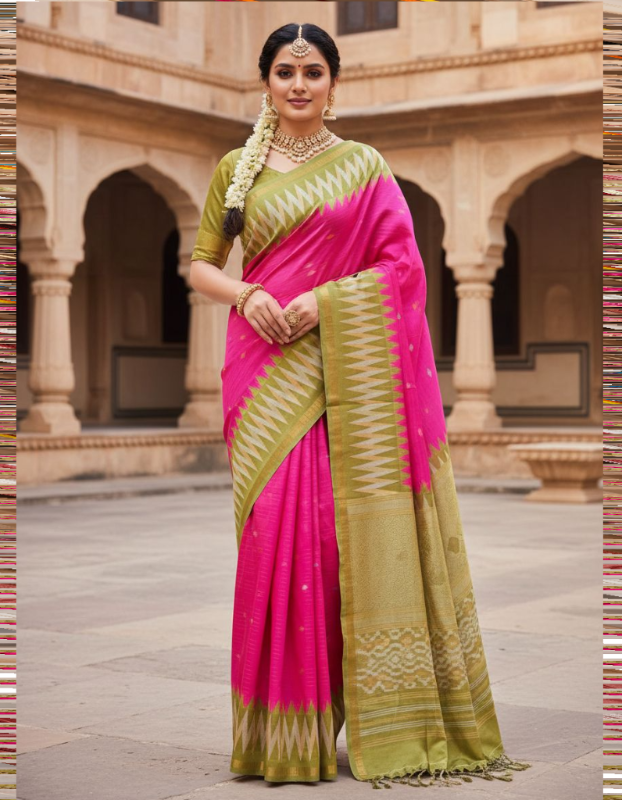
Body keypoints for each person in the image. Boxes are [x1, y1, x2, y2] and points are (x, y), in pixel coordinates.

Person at [189, 22, 532, 790]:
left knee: (330, 546)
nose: (300, 84)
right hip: (261, 370)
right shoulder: (234, 170)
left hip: (342, 361)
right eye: (286, 71)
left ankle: (356, 718)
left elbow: (402, 268)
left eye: (313, 71)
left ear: (334, 83)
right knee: (272, 536)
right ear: (266, 81)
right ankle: (277, 738)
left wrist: (321, 301)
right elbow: (202, 265)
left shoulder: (363, 166)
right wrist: (248, 295)